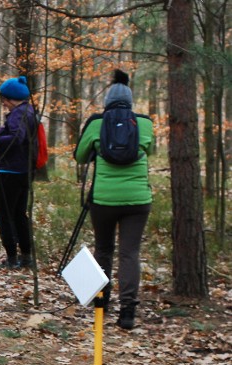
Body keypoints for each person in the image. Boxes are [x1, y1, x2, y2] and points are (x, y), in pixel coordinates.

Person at [74, 70, 155, 330]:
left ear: (107, 101)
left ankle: (102, 302)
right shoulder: (144, 123)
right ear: (131, 102)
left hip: (104, 199)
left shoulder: (96, 124)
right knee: (130, 252)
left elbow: (80, 156)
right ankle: (128, 312)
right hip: (137, 200)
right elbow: (150, 150)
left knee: (104, 249)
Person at [0, 75, 35, 269]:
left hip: (11, 171)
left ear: (11, 98)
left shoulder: (18, 114)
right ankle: (26, 255)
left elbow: (16, 137)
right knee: (18, 213)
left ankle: (12, 257)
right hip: (23, 171)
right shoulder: (29, 111)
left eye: (5, 100)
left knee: (3, 212)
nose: (4, 104)